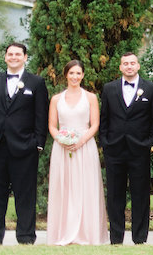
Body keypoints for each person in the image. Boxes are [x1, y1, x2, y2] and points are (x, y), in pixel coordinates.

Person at [0, 42, 49, 245]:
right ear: (6, 57)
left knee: (25, 196)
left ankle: (26, 237)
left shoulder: (36, 83)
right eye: (10, 54)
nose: (14, 57)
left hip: (25, 148)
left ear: (25, 57)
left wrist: (38, 143)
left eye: (18, 54)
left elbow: (40, 116)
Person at [99, 52, 153, 245]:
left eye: (132, 63)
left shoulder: (151, 89)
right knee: (115, 195)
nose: (129, 66)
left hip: (139, 150)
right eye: (125, 63)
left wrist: (150, 143)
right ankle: (116, 238)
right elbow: (104, 119)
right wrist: (105, 143)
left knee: (141, 194)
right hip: (114, 149)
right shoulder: (109, 89)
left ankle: (140, 238)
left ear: (138, 66)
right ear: (120, 67)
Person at [47, 60, 107, 245]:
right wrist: (61, 139)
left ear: (83, 75)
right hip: (62, 148)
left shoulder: (90, 97)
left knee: (86, 187)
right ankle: (62, 232)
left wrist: (81, 140)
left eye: (78, 73)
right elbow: (52, 125)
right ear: (66, 75)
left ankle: (87, 233)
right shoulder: (56, 99)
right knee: (64, 188)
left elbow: (95, 123)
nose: (75, 77)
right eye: (71, 73)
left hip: (85, 146)